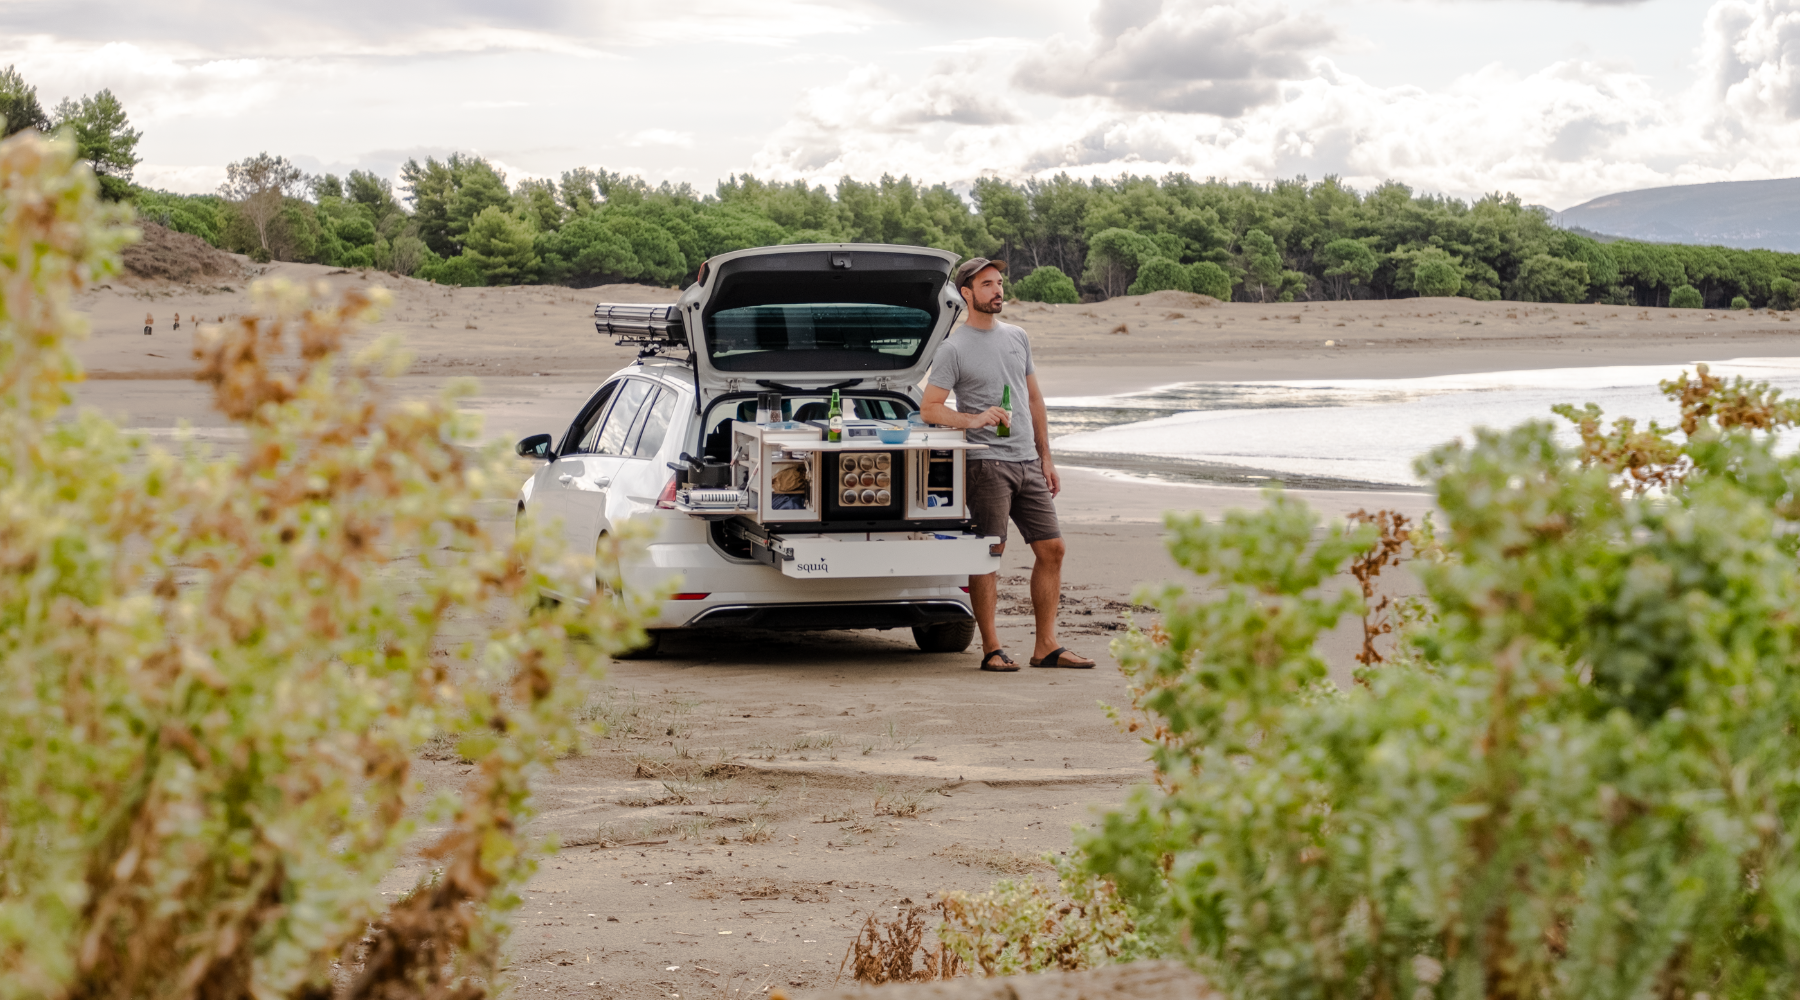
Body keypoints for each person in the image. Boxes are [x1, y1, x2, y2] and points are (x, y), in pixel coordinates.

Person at [921, 258, 1096, 672]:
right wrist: (972, 419)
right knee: (989, 554)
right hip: (985, 464)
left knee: (1052, 549)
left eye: (999, 283)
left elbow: (1032, 399)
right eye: (987, 284)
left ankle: (1046, 646)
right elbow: (930, 408)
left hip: (1027, 461)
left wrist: (1046, 456)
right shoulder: (953, 349)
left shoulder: (1018, 337)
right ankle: (992, 648)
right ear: (967, 293)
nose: (998, 290)